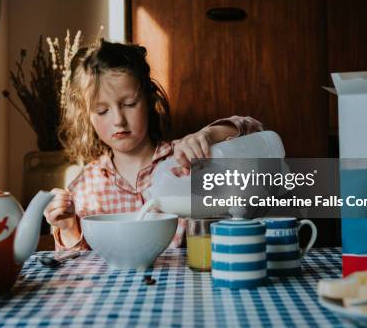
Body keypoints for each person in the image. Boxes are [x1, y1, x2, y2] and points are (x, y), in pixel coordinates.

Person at [44, 40, 263, 250]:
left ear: (149, 101)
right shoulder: (85, 188)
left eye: (129, 104)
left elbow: (256, 131)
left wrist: (209, 135)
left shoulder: (185, 158)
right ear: (87, 116)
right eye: (102, 111)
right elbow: (78, 269)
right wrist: (69, 227)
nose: (118, 120)